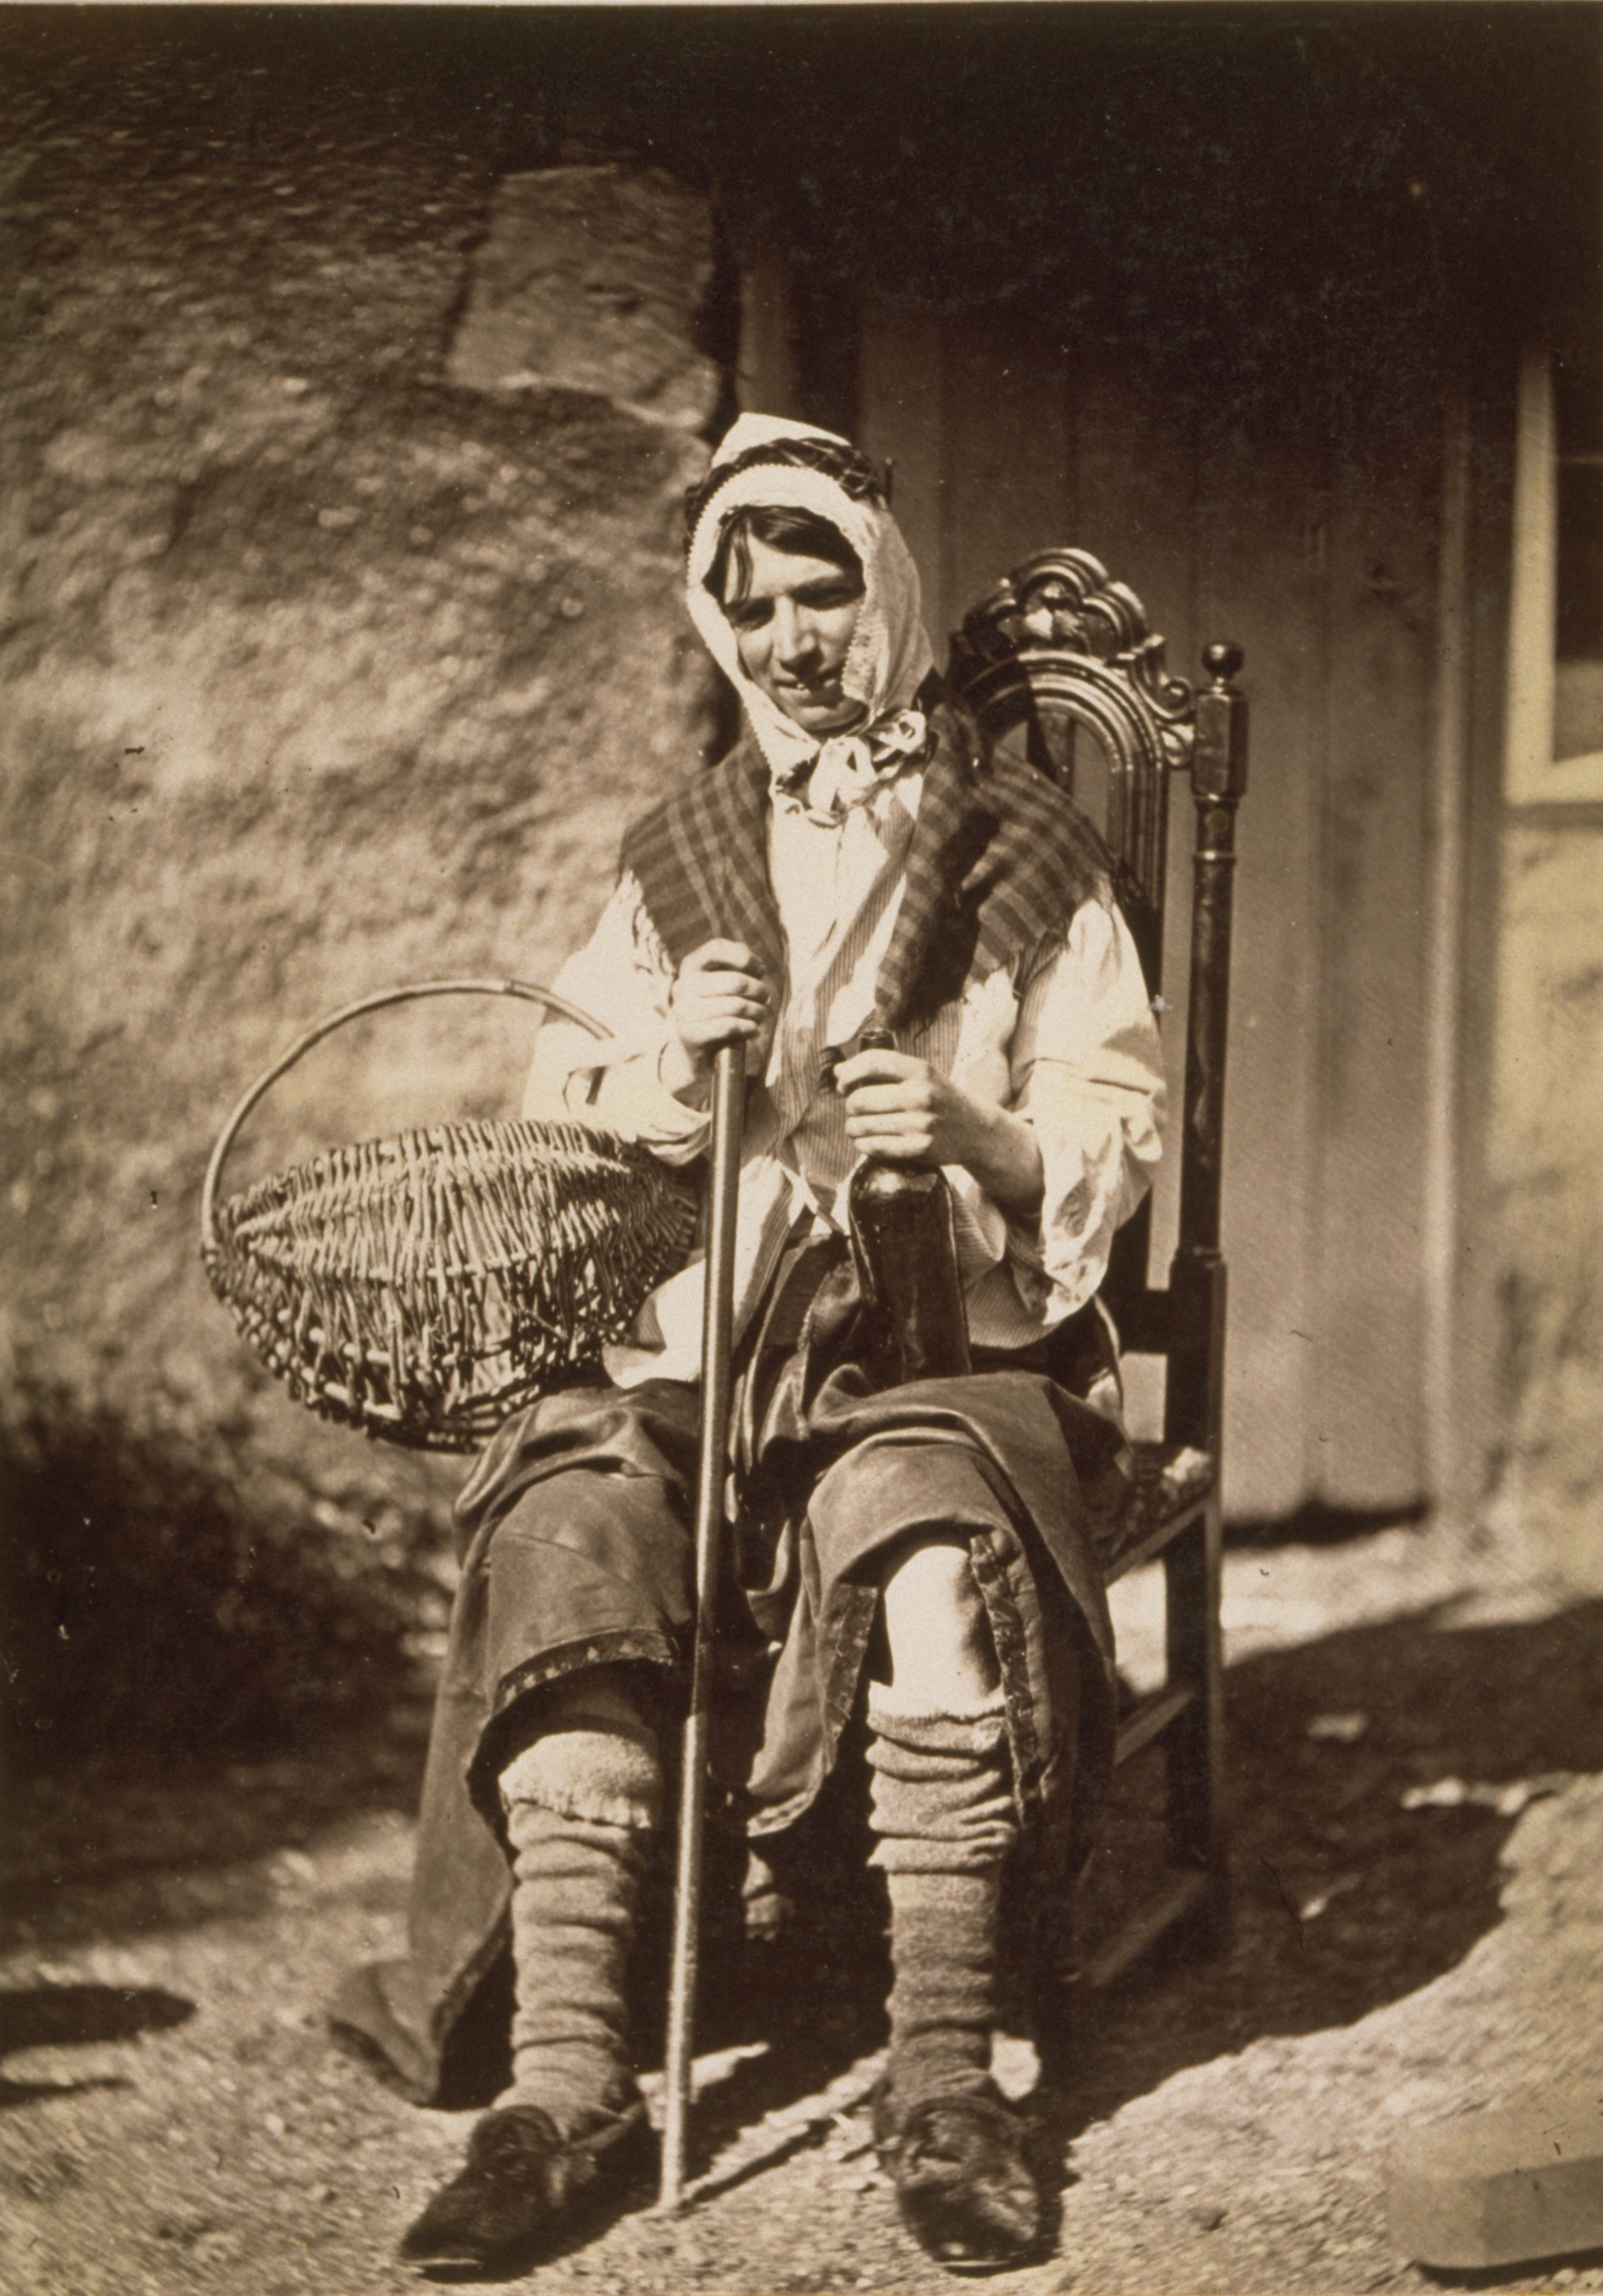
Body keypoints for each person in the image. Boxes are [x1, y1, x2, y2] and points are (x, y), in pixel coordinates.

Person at [333, 413, 1166, 2275]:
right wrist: (674, 1068)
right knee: (568, 1532)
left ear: (888, 589)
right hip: (700, 1352)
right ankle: (565, 2091)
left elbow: (1114, 1122)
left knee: (935, 1553)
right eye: (756, 606)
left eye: (824, 592)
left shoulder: (1026, 848)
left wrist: (969, 1136)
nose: (795, 637)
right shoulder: (681, 855)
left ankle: (943, 2080)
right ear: (719, 631)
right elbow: (569, 1123)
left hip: (942, 1348)